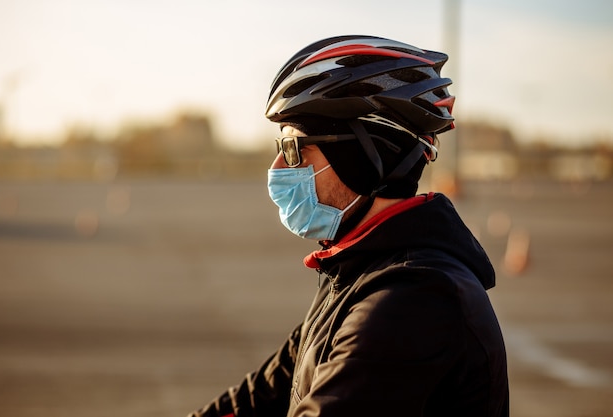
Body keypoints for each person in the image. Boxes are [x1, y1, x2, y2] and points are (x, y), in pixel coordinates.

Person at [189, 35, 509, 417]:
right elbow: (261, 395)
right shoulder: (356, 271)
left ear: (361, 157)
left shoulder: (412, 301)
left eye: (293, 149)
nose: (277, 169)